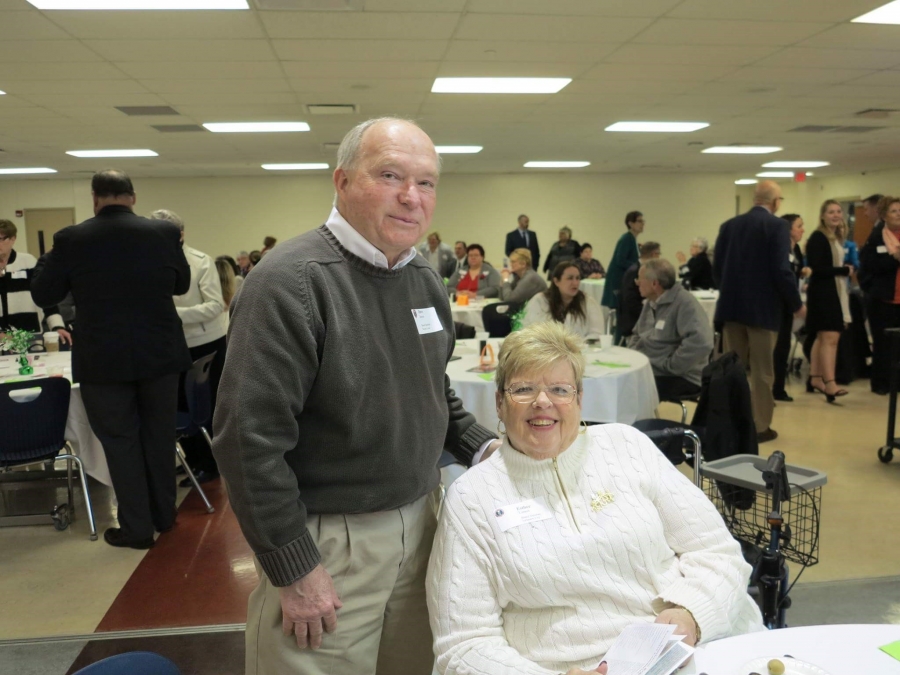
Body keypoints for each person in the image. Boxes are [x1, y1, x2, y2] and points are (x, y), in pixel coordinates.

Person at [212, 118, 498, 675]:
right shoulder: (290, 282)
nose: (411, 197)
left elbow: (432, 398)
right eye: (390, 175)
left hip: (422, 527)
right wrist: (293, 566)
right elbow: (247, 442)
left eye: (427, 182)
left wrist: (492, 452)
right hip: (328, 544)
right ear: (341, 181)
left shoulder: (424, 282)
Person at [427, 322, 764, 675]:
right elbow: (463, 645)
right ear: (499, 402)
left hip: (689, 650)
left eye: (559, 389)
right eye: (523, 389)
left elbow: (716, 551)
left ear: (579, 398)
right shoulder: (471, 499)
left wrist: (692, 613)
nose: (543, 402)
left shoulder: (627, 446)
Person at [30, 170, 191, 549]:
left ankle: (136, 529)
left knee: (120, 441)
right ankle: (164, 517)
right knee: (158, 436)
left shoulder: (71, 239)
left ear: (94, 198)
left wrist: (50, 258)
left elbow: (43, 293)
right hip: (160, 353)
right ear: (133, 197)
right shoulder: (163, 233)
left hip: (104, 359)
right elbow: (180, 285)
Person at [714, 181, 804, 444]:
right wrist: (796, 303)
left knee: (734, 368)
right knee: (763, 372)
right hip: (764, 312)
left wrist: (730, 291)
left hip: (731, 309)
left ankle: (732, 421)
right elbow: (781, 270)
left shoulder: (729, 226)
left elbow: (718, 268)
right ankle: (760, 426)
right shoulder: (777, 227)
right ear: (775, 202)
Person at [150, 209, 228, 484]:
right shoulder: (148, 261)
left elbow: (215, 305)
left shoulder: (200, 261)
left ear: (180, 234)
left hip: (203, 343)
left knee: (202, 408)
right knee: (177, 405)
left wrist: (172, 314)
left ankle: (210, 463)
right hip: (168, 344)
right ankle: (190, 460)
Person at [628, 259, 714, 400]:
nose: (636, 282)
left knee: (630, 390)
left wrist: (671, 365)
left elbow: (702, 342)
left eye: (640, 279)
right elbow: (637, 334)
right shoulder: (651, 302)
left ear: (654, 283)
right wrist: (635, 358)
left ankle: (642, 422)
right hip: (651, 369)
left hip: (682, 377)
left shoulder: (684, 303)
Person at [806, 200, 852, 403]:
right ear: (822, 216)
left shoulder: (836, 238)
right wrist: (844, 270)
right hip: (824, 292)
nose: (835, 215)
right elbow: (817, 267)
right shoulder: (818, 237)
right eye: (831, 212)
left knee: (822, 337)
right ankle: (830, 383)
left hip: (833, 290)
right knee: (831, 338)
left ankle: (816, 378)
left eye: (838, 211)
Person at [0, 219, 70, 343]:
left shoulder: (28, 262)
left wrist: (57, 326)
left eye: (1, 239)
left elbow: (45, 297)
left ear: (12, 239)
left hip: (31, 337)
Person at [859, 196, 900, 395]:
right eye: (894, 211)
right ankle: (881, 383)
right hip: (883, 299)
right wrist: (894, 259)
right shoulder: (877, 237)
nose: (899, 214)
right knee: (883, 345)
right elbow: (870, 267)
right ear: (884, 215)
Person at [772, 214, 809, 402]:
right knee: (777, 346)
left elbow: (794, 271)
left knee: (784, 345)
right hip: (777, 303)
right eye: (799, 226)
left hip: (789, 302)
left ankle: (778, 388)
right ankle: (774, 388)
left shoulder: (797, 250)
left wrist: (802, 273)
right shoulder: (781, 247)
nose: (802, 229)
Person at [523, 261, 603, 340]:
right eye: (570, 278)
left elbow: (597, 333)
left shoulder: (587, 302)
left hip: (581, 350)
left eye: (578, 278)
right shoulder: (540, 301)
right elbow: (528, 331)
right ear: (556, 281)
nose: (575, 283)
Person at [602, 211, 644, 343]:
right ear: (630, 223)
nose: (642, 224)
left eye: (643, 221)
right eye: (639, 221)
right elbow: (620, 260)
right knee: (622, 314)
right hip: (618, 282)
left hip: (623, 280)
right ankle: (617, 343)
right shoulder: (626, 239)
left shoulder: (632, 239)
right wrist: (639, 266)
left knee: (623, 315)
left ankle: (620, 342)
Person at [619, 241, 661, 340]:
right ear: (654, 254)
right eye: (659, 254)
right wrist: (649, 315)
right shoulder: (634, 272)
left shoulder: (638, 269)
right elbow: (630, 300)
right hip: (634, 324)